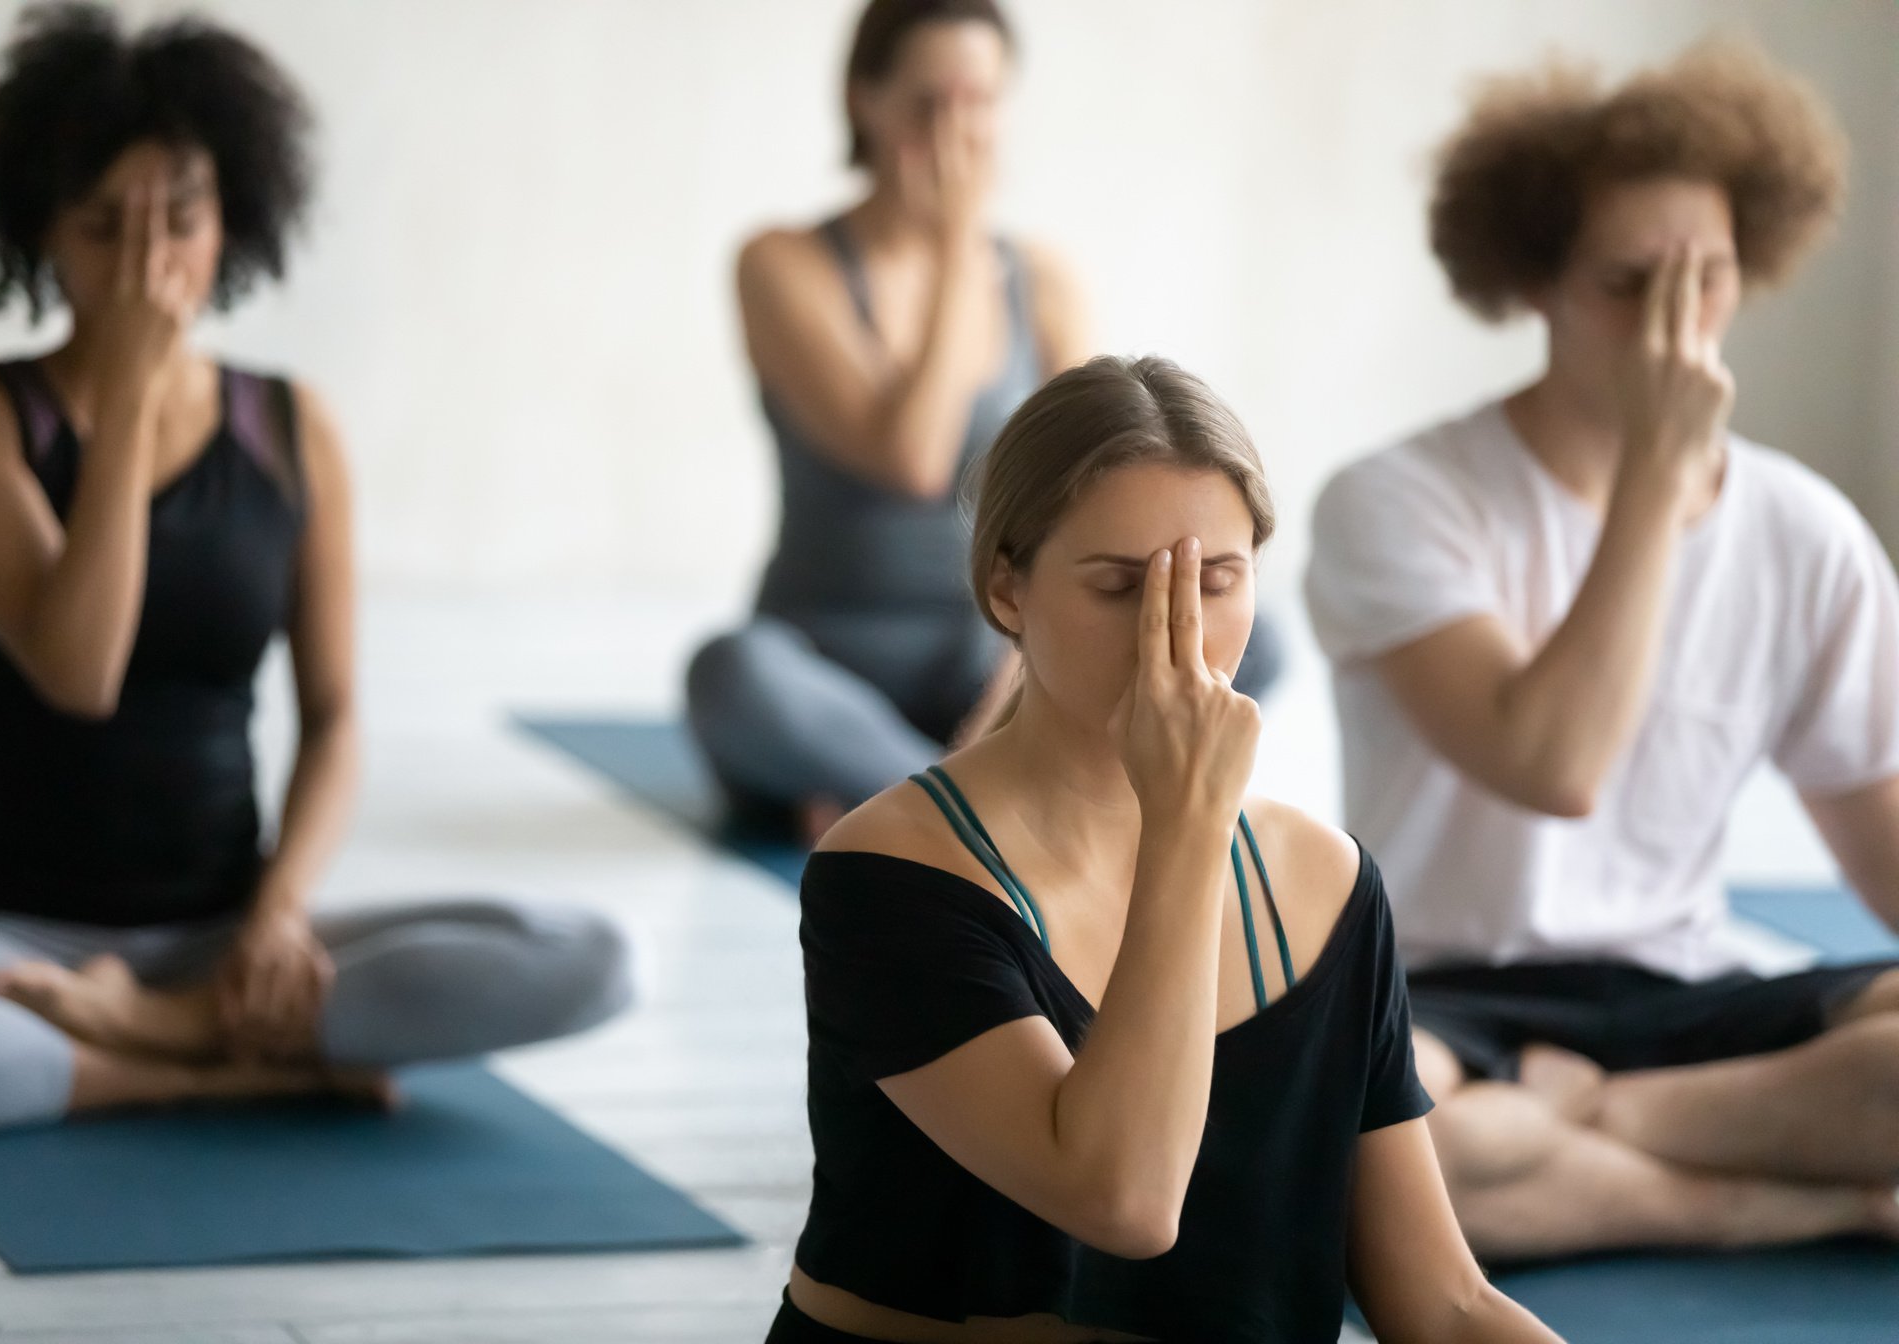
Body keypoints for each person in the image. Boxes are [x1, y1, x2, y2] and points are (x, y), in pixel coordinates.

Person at [0, 2, 631, 1136]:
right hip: (9, 934)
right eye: (103, 226)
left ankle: (167, 1024)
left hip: (219, 933)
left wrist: (276, 923)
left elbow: (333, 720)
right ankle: (216, 1072)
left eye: (181, 220)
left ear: (233, 218)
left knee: (591, 958)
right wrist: (130, 394)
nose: (150, 264)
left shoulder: (291, 426)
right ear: (41, 232)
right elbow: (81, 671)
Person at [769, 356, 1559, 1342]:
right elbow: (1124, 1201)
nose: (1171, 634)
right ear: (1008, 590)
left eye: (1215, 582)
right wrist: (1187, 826)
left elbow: (1442, 1306)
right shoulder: (889, 877)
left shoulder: (1325, 884)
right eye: (1119, 586)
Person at [1305, 40, 1899, 1259]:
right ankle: (1815, 1201)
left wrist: (1589, 1103)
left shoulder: (1805, 532)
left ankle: (1598, 1130)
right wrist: (1657, 480)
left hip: (1681, 991)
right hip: (1440, 990)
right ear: (1537, 283)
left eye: (1711, 281)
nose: (1675, 329)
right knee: (1376, 1155)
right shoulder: (1395, 501)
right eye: (1630, 283)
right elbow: (1553, 763)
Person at [687, 0, 1280, 842]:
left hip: (992, 646)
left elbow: (1090, 506)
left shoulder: (1041, 280)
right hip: (824, 658)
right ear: (865, 100)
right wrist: (957, 243)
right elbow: (916, 460)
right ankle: (968, 801)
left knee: (1247, 624)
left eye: (980, 101)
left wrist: (1009, 696)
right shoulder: (781, 264)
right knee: (730, 675)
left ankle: (901, 801)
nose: (957, 130)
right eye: (929, 103)